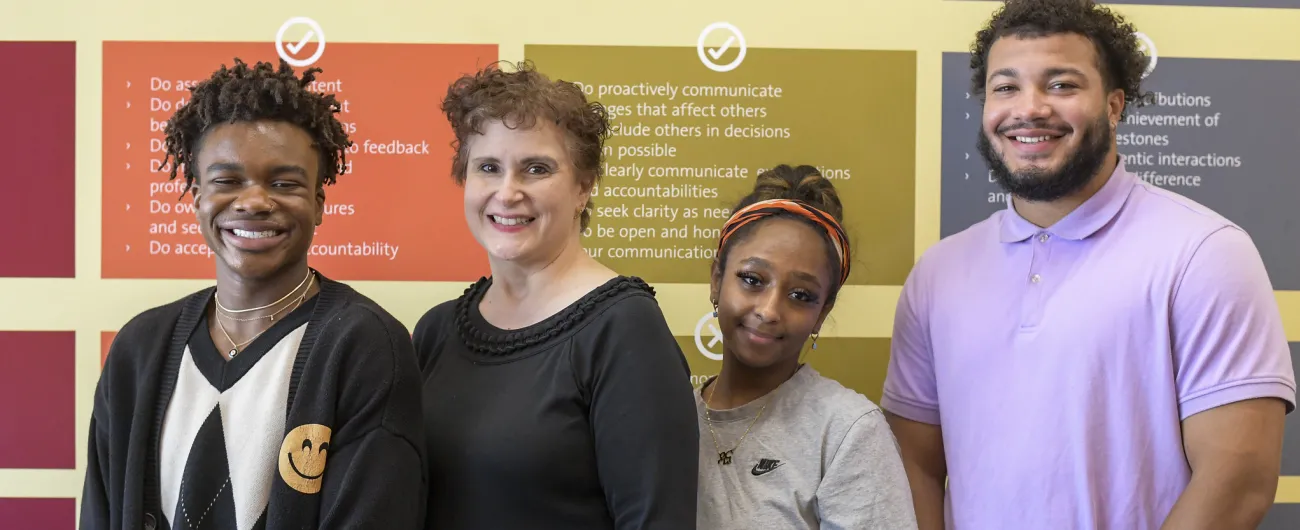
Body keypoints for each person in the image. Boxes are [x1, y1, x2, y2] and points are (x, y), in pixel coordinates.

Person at [881, 1, 1297, 528]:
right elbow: (914, 465)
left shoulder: (1203, 251)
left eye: (1061, 85)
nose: (1029, 108)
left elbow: (1237, 482)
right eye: (1006, 87)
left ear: (1114, 105)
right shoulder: (939, 272)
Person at [81, 58, 427, 530]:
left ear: (318, 204)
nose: (254, 202)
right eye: (227, 181)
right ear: (197, 197)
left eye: (284, 183)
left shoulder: (365, 345)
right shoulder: (139, 348)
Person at [412, 60, 699, 529]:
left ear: (583, 187)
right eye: (488, 168)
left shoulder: (624, 330)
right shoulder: (436, 331)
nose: (508, 192)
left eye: (536, 169)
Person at [695, 164, 919, 529]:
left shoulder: (847, 431)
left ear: (822, 313)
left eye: (801, 295)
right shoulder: (666, 419)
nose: (769, 310)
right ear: (716, 280)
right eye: (752, 279)